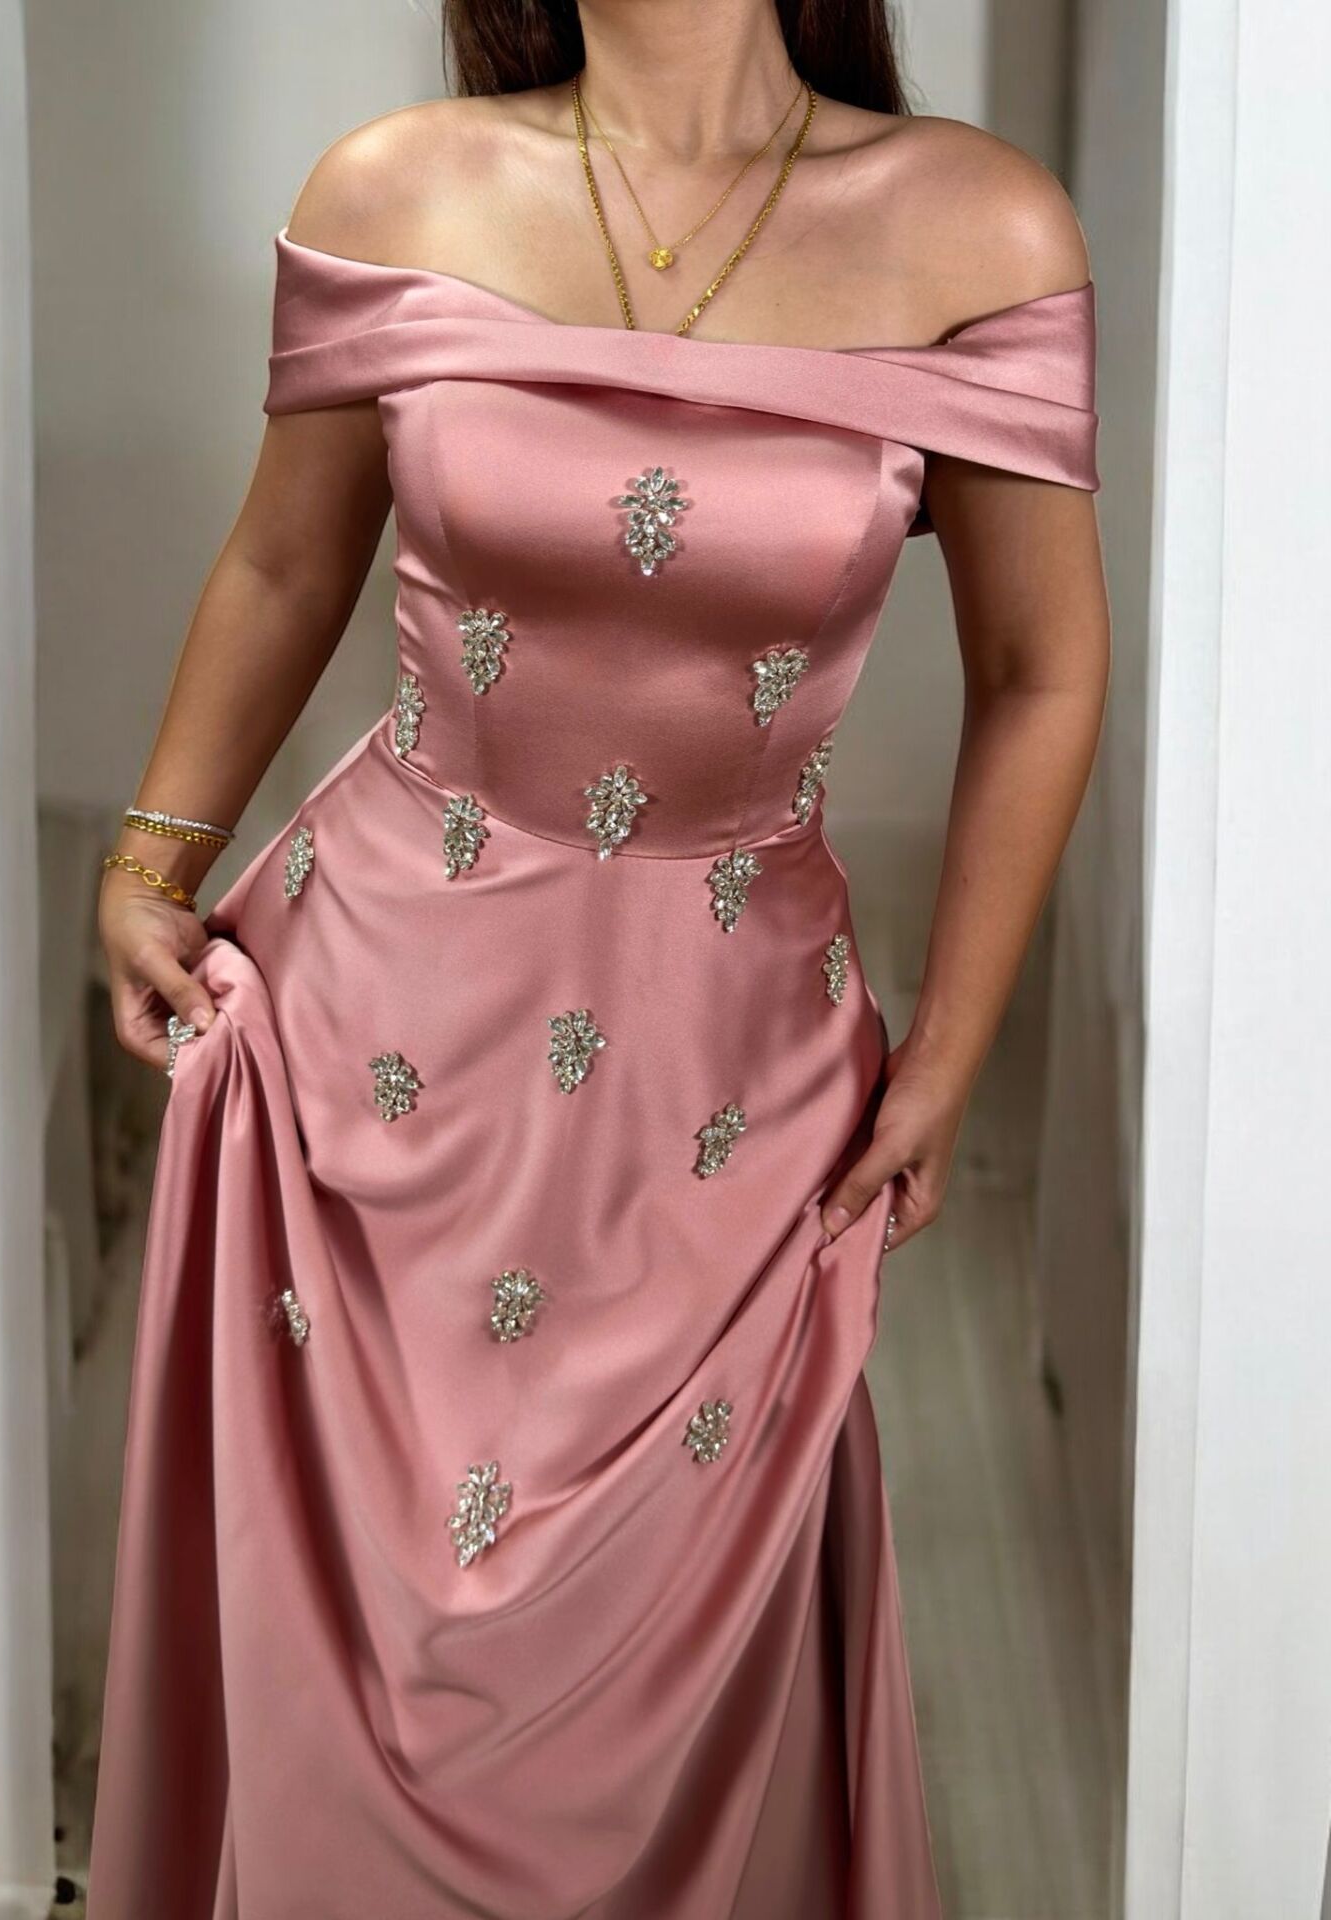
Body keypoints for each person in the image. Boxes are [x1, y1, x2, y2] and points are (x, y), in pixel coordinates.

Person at [87, 1, 1109, 1912]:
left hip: (725, 1088)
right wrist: (153, 856)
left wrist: (953, 1052)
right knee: (360, 1676)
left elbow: (1042, 669)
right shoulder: (398, 187)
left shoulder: (978, 228)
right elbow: (287, 563)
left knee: (666, 1684)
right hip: (381, 1053)